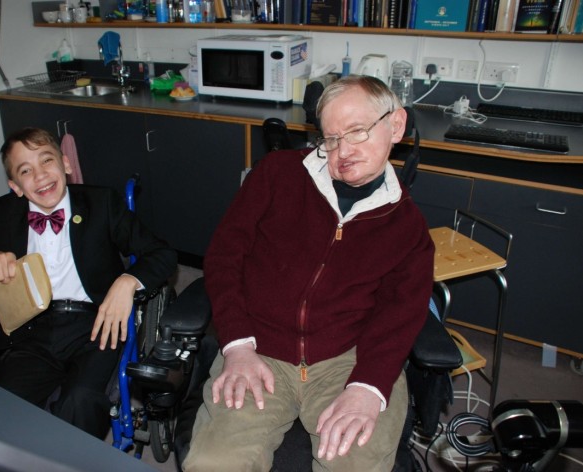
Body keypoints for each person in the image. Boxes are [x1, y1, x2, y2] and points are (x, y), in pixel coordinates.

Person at [183, 76, 435, 471]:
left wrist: (368, 386)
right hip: (259, 348)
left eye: (357, 131)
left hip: (348, 360)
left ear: (396, 125)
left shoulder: (408, 229)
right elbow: (223, 257)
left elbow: (400, 315)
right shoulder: (277, 174)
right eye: (331, 139)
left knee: (355, 465)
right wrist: (237, 344)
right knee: (214, 463)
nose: (343, 151)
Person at [0, 127, 177, 439]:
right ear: (15, 186)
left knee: (80, 399)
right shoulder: (1, 214)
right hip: (31, 329)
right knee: (2, 405)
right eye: (25, 171)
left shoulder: (102, 202)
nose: (40, 175)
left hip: (96, 323)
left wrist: (127, 280)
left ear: (66, 163)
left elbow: (162, 253)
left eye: (47, 160)